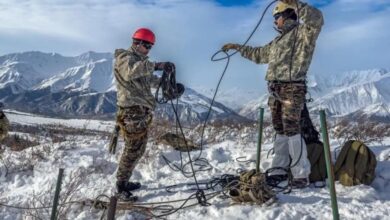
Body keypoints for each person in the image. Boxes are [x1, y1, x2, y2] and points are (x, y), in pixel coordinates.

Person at [222, 0, 323, 188]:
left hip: (292, 87)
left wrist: (295, 3)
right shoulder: (278, 41)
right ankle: (279, 169)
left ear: (286, 15)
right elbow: (259, 54)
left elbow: (317, 19)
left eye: (277, 17)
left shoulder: (303, 33)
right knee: (280, 129)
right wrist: (238, 47)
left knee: (292, 128)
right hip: (275, 90)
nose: (275, 22)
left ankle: (301, 174)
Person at [114, 28, 174, 200]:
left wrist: (168, 85)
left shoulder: (141, 63)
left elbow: (148, 81)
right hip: (131, 111)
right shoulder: (124, 57)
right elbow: (130, 72)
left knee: (138, 149)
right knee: (132, 149)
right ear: (137, 43)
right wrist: (156, 65)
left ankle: (124, 181)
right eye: (147, 46)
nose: (148, 49)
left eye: (150, 47)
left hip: (141, 112)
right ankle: (120, 186)